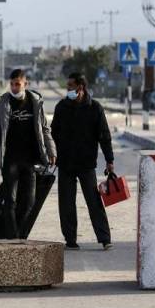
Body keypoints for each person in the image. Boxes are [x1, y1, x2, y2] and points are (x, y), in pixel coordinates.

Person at [0, 69, 56, 239]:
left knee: (29, 201)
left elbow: (44, 129)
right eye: (11, 84)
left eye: (17, 84)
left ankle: (18, 233)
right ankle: (13, 237)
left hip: (30, 160)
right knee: (10, 201)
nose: (14, 88)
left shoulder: (35, 103)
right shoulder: (4, 104)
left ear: (25, 84)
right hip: (10, 160)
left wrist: (51, 150)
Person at [51, 72, 114, 251]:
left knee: (94, 202)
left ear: (81, 87)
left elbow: (104, 136)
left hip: (86, 164)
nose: (68, 89)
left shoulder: (95, 108)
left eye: (70, 86)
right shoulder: (61, 107)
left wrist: (109, 160)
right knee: (66, 203)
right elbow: (53, 134)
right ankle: (70, 239)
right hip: (65, 163)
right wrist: (51, 154)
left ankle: (104, 238)